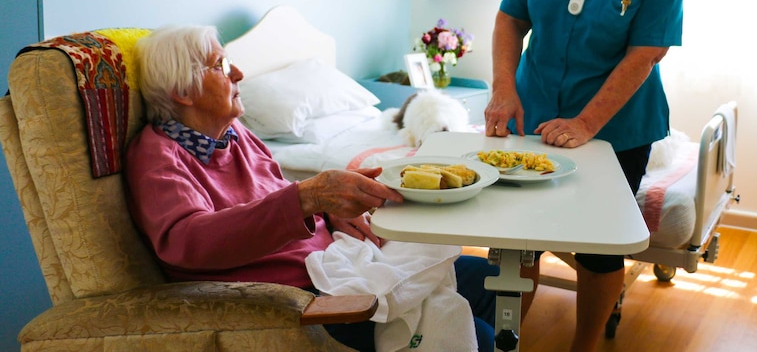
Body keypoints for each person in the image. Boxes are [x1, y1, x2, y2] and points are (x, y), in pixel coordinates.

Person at [124, 25, 497, 352]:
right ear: (182, 91)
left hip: (337, 260)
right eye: (221, 66)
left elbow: (275, 194)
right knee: (476, 331)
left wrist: (325, 210)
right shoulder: (159, 157)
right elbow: (187, 242)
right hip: (303, 295)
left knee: (488, 279)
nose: (238, 73)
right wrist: (306, 197)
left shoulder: (238, 137)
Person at [484, 0, 685, 352]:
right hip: (532, 112)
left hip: (617, 130)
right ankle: (508, 341)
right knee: (515, 243)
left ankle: (584, 346)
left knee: (598, 250)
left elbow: (646, 52)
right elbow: (511, 18)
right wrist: (504, 88)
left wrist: (585, 123)